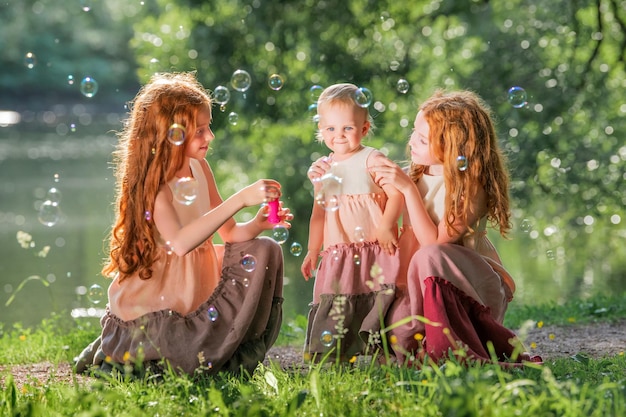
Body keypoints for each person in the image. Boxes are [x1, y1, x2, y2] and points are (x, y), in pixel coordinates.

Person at [75, 72, 292, 376]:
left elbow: (229, 232)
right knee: (166, 355)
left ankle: (231, 346)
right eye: (200, 130)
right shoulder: (155, 185)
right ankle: (121, 344)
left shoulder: (199, 167)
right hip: (162, 292)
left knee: (266, 249)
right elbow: (180, 242)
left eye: (209, 127)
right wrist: (240, 198)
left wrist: (256, 224)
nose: (210, 137)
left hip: (197, 283)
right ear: (167, 134)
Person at [371, 89, 539, 365]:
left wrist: (408, 190)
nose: (411, 141)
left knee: (430, 256)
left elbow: (435, 245)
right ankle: (425, 348)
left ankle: (455, 347)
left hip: (469, 290)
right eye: (414, 131)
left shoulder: (471, 186)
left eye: (422, 139)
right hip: (418, 287)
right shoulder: (417, 174)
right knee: (398, 337)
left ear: (453, 149)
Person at [302, 83, 404, 361]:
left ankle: (382, 354)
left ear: (364, 129)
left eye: (347, 128)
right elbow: (319, 212)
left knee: (377, 298)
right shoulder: (323, 169)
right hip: (339, 251)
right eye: (331, 129)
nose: (339, 136)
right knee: (339, 300)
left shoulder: (372, 159)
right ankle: (333, 356)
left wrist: (385, 225)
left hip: (375, 248)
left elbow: (398, 194)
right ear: (321, 131)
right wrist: (313, 250)